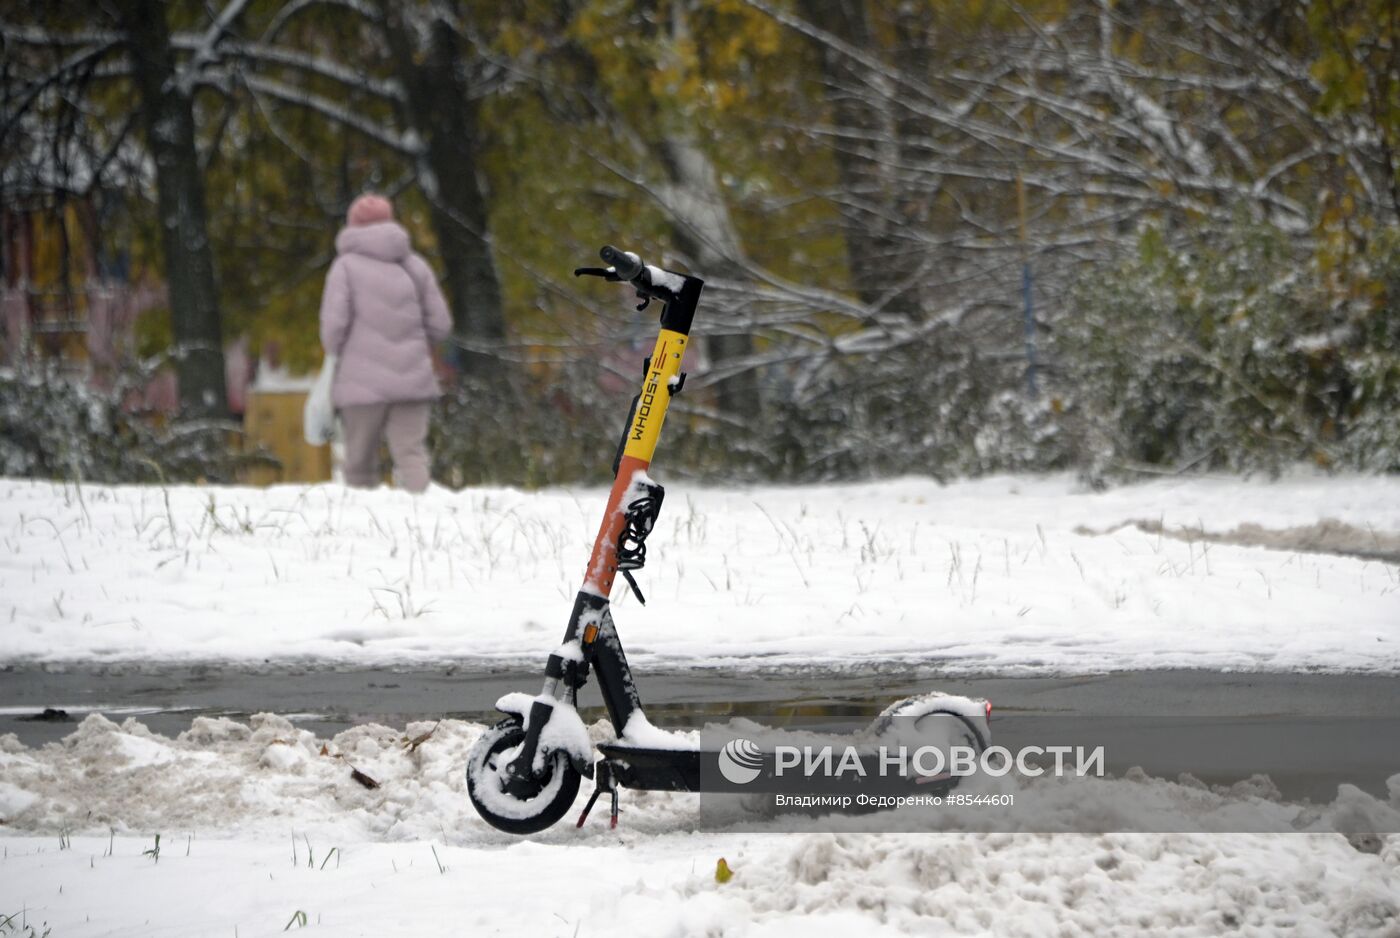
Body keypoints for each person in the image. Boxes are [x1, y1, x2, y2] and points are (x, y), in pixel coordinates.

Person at [318, 193, 452, 493]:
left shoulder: (345, 268)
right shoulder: (416, 266)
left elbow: (333, 329)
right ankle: (423, 525)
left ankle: (362, 530)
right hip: (413, 380)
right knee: (411, 456)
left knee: (359, 463)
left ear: (352, 225)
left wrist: (337, 351)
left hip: (360, 383)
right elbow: (441, 324)